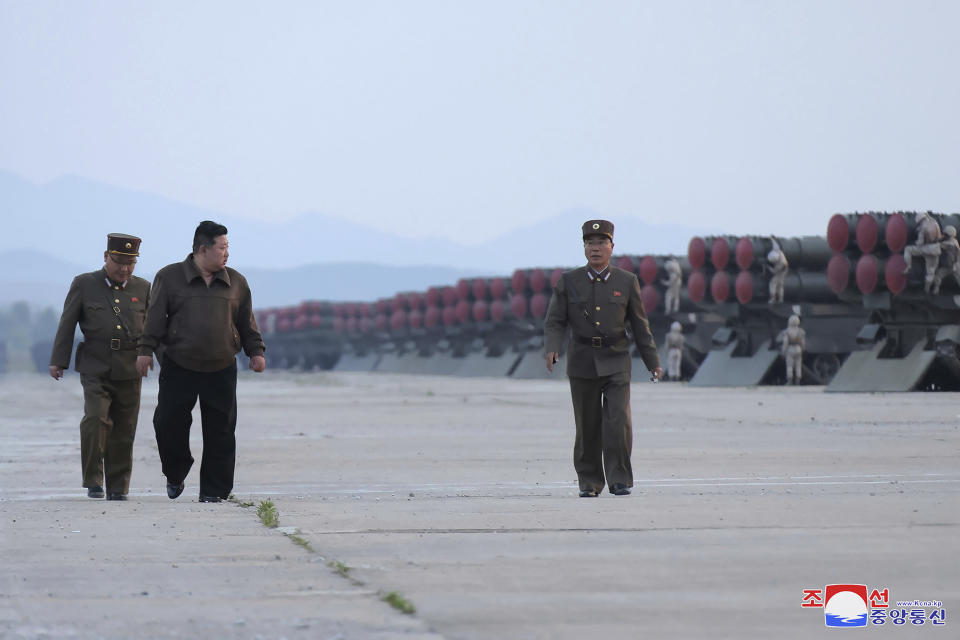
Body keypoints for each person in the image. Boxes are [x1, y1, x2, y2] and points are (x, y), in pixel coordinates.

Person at [136, 221, 266, 503]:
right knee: (168, 424)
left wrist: (256, 351)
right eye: (222, 248)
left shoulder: (237, 282)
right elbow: (154, 318)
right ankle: (175, 472)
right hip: (179, 364)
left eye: (228, 247)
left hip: (221, 367)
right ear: (203, 249)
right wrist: (145, 351)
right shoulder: (169, 278)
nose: (227, 254)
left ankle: (214, 492)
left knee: (221, 431)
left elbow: (246, 322)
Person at [544, 220, 662, 498]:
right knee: (587, 425)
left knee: (618, 421)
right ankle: (589, 482)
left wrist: (652, 361)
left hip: (617, 359)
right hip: (582, 359)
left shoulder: (627, 281)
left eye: (600, 243)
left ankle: (620, 479)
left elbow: (640, 326)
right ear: (584, 248)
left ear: (612, 247)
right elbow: (555, 321)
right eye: (589, 243)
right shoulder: (569, 282)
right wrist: (552, 347)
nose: (595, 249)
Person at [49, 234, 150, 500]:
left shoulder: (144, 288)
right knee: (96, 419)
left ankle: (118, 487)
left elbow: (153, 329)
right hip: (95, 364)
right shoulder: (84, 284)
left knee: (125, 428)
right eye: (118, 262)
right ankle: (93, 478)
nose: (124, 269)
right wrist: (59, 360)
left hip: (130, 367)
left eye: (130, 264)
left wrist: (155, 356)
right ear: (106, 257)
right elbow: (67, 323)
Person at [902, 211, 942, 293]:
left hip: (926, 249)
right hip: (936, 249)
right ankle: (930, 288)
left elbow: (920, 243)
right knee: (931, 271)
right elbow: (940, 237)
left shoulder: (922, 227)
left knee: (908, 249)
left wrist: (914, 242)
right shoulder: (935, 223)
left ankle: (908, 266)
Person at [931, 226, 960, 295]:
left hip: (953, 266)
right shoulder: (954, 241)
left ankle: (936, 289)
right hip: (953, 265)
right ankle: (936, 289)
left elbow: (938, 245)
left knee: (939, 275)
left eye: (945, 234)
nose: (944, 235)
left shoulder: (949, 244)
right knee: (939, 274)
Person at [778, 314, 805, 385]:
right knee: (798, 366)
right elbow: (802, 342)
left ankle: (790, 381)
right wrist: (802, 349)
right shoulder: (801, 331)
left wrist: (783, 351)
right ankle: (798, 381)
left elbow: (785, 342)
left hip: (790, 349)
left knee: (789, 366)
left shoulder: (787, 331)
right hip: (798, 349)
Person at [766, 237, 788, 304]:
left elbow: (774, 271)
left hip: (781, 271)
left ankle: (773, 298)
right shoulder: (778, 252)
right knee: (780, 285)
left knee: (773, 283)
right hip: (785, 268)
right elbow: (775, 245)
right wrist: (771, 239)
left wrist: (769, 268)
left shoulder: (779, 264)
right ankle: (780, 299)